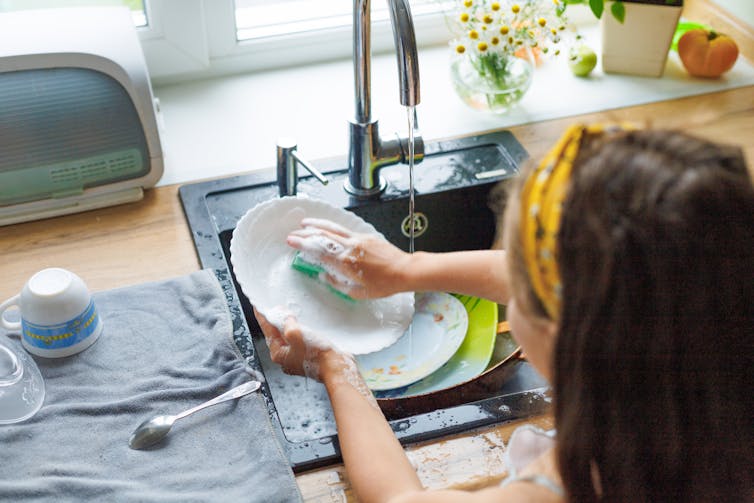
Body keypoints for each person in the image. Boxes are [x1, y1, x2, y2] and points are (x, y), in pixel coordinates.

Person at [255, 125, 754, 502]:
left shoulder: (559, 489)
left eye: (518, 278)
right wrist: (410, 268)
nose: (507, 278)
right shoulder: (711, 341)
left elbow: (397, 499)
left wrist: (336, 367)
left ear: (563, 333)